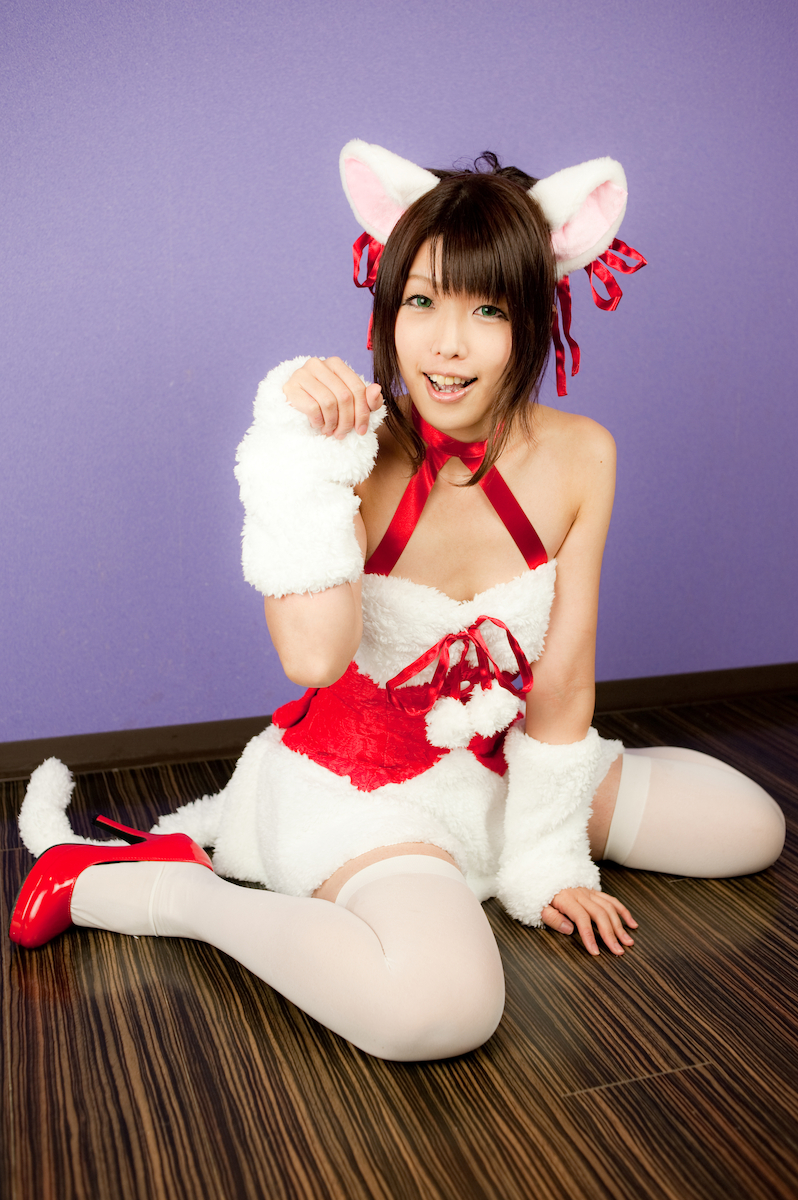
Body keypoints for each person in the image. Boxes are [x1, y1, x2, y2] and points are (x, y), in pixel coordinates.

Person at [10, 140, 785, 1063]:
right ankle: (173, 891)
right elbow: (313, 660)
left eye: (487, 309)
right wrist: (296, 454)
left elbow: (564, 677)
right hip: (363, 785)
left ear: (537, 317)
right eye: (421, 301)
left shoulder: (584, 453)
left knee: (752, 828)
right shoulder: (345, 453)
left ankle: (506, 845)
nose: (446, 344)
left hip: (496, 761)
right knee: (439, 1011)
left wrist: (547, 858)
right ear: (387, 305)